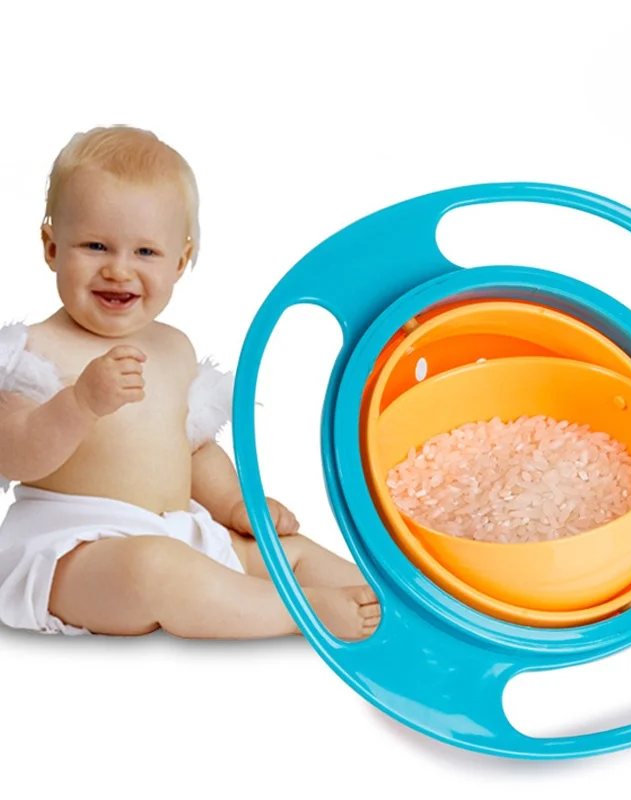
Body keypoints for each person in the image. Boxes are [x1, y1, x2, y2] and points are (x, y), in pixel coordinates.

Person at [0, 125, 380, 640]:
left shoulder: (174, 348)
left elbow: (195, 451)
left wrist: (234, 507)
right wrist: (80, 404)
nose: (119, 270)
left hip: (176, 530)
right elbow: (15, 454)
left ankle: (396, 602)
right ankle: (302, 613)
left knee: (284, 551)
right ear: (52, 248)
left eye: (145, 252)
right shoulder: (33, 351)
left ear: (180, 261)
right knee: (156, 570)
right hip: (77, 552)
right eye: (95, 246)